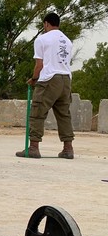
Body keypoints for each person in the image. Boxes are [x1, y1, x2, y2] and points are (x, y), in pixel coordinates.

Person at [16, 12, 74, 159]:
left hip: (49, 78)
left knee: (37, 111)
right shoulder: (67, 41)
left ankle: (34, 147)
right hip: (66, 79)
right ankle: (68, 148)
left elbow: (39, 64)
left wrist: (34, 79)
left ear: (46, 23)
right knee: (64, 114)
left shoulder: (42, 39)